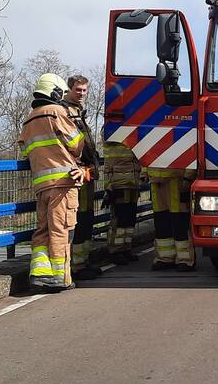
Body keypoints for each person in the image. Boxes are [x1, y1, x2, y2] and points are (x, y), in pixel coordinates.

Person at [18, 73, 99, 290]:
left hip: (41, 184)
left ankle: (40, 273)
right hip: (63, 182)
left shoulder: (28, 119)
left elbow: (26, 151)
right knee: (62, 229)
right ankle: (61, 278)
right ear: (54, 92)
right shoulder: (56, 112)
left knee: (43, 230)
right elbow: (75, 144)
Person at [64, 75, 102, 274]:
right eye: (78, 90)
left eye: (84, 90)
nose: (81, 93)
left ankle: (83, 262)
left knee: (86, 218)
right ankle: (77, 265)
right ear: (69, 89)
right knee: (78, 218)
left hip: (86, 172)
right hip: (76, 172)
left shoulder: (78, 112)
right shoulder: (64, 111)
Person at [102, 141, 143, 265]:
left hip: (133, 184)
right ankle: (115, 251)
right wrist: (108, 187)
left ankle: (125, 248)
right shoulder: (114, 142)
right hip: (119, 185)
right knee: (119, 220)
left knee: (129, 219)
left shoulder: (133, 139)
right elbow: (108, 167)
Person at [149, 168, 196, 271]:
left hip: (177, 182)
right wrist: (144, 173)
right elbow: (145, 157)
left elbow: (189, 156)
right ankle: (165, 258)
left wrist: (188, 178)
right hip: (156, 182)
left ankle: (185, 259)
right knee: (161, 222)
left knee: (180, 222)